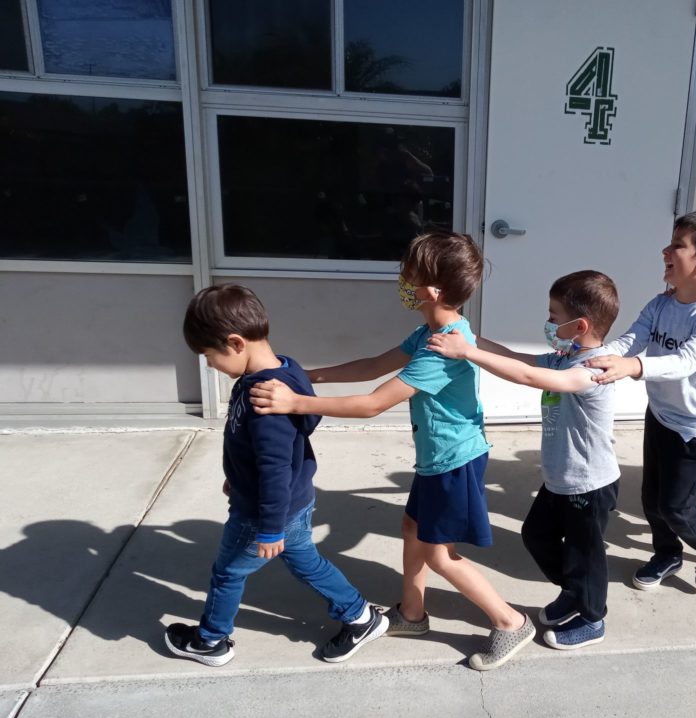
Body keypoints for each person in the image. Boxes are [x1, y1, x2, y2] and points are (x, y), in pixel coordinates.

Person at [248, 232, 535, 671]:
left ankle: (510, 621)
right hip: (439, 458)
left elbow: (374, 402)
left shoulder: (442, 351)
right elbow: (372, 365)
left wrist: (295, 402)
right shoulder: (430, 332)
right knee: (410, 526)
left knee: (440, 555)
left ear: (433, 290)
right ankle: (412, 613)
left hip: (454, 462)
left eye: (411, 275)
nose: (403, 280)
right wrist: (307, 377)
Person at [166, 284, 387, 667]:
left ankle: (211, 641)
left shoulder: (266, 399)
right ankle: (360, 616)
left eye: (208, 355)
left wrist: (269, 527)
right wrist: (236, 475)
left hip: (264, 511)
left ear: (235, 343)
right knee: (306, 560)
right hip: (291, 502)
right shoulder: (286, 369)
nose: (209, 365)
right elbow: (257, 453)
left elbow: (274, 470)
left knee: (227, 573)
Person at [426, 270, 620, 651]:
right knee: (536, 535)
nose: (548, 322)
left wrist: (466, 352)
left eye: (553, 315)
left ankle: (592, 616)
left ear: (578, 325)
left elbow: (530, 377)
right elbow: (519, 358)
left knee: (586, 556)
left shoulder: (594, 371)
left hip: (589, 483)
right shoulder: (566, 356)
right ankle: (574, 591)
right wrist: (467, 333)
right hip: (560, 479)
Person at [584, 211, 696, 592]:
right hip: (660, 416)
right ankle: (667, 553)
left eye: (677, 245)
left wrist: (632, 367)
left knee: (678, 506)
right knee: (652, 499)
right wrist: (598, 356)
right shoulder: (661, 304)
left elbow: (683, 362)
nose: (665, 251)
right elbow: (632, 339)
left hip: (693, 428)